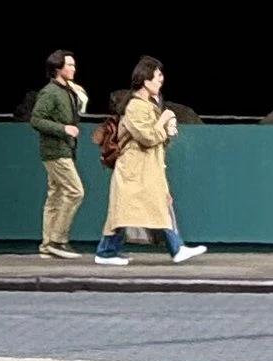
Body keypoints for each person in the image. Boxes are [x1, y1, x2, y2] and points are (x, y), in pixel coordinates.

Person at [95, 57, 205, 266]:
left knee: (150, 208)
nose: (160, 82)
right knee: (127, 212)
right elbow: (148, 137)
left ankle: (110, 251)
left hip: (145, 169)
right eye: (157, 78)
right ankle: (107, 251)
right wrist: (163, 120)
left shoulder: (147, 105)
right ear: (145, 81)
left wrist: (166, 127)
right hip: (135, 170)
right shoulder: (136, 107)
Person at [27, 47, 87, 259]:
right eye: (69, 65)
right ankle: (58, 241)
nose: (74, 68)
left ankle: (47, 246)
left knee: (55, 196)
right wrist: (64, 129)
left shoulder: (67, 90)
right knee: (75, 191)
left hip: (64, 149)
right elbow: (36, 119)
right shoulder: (50, 92)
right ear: (57, 68)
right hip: (56, 151)